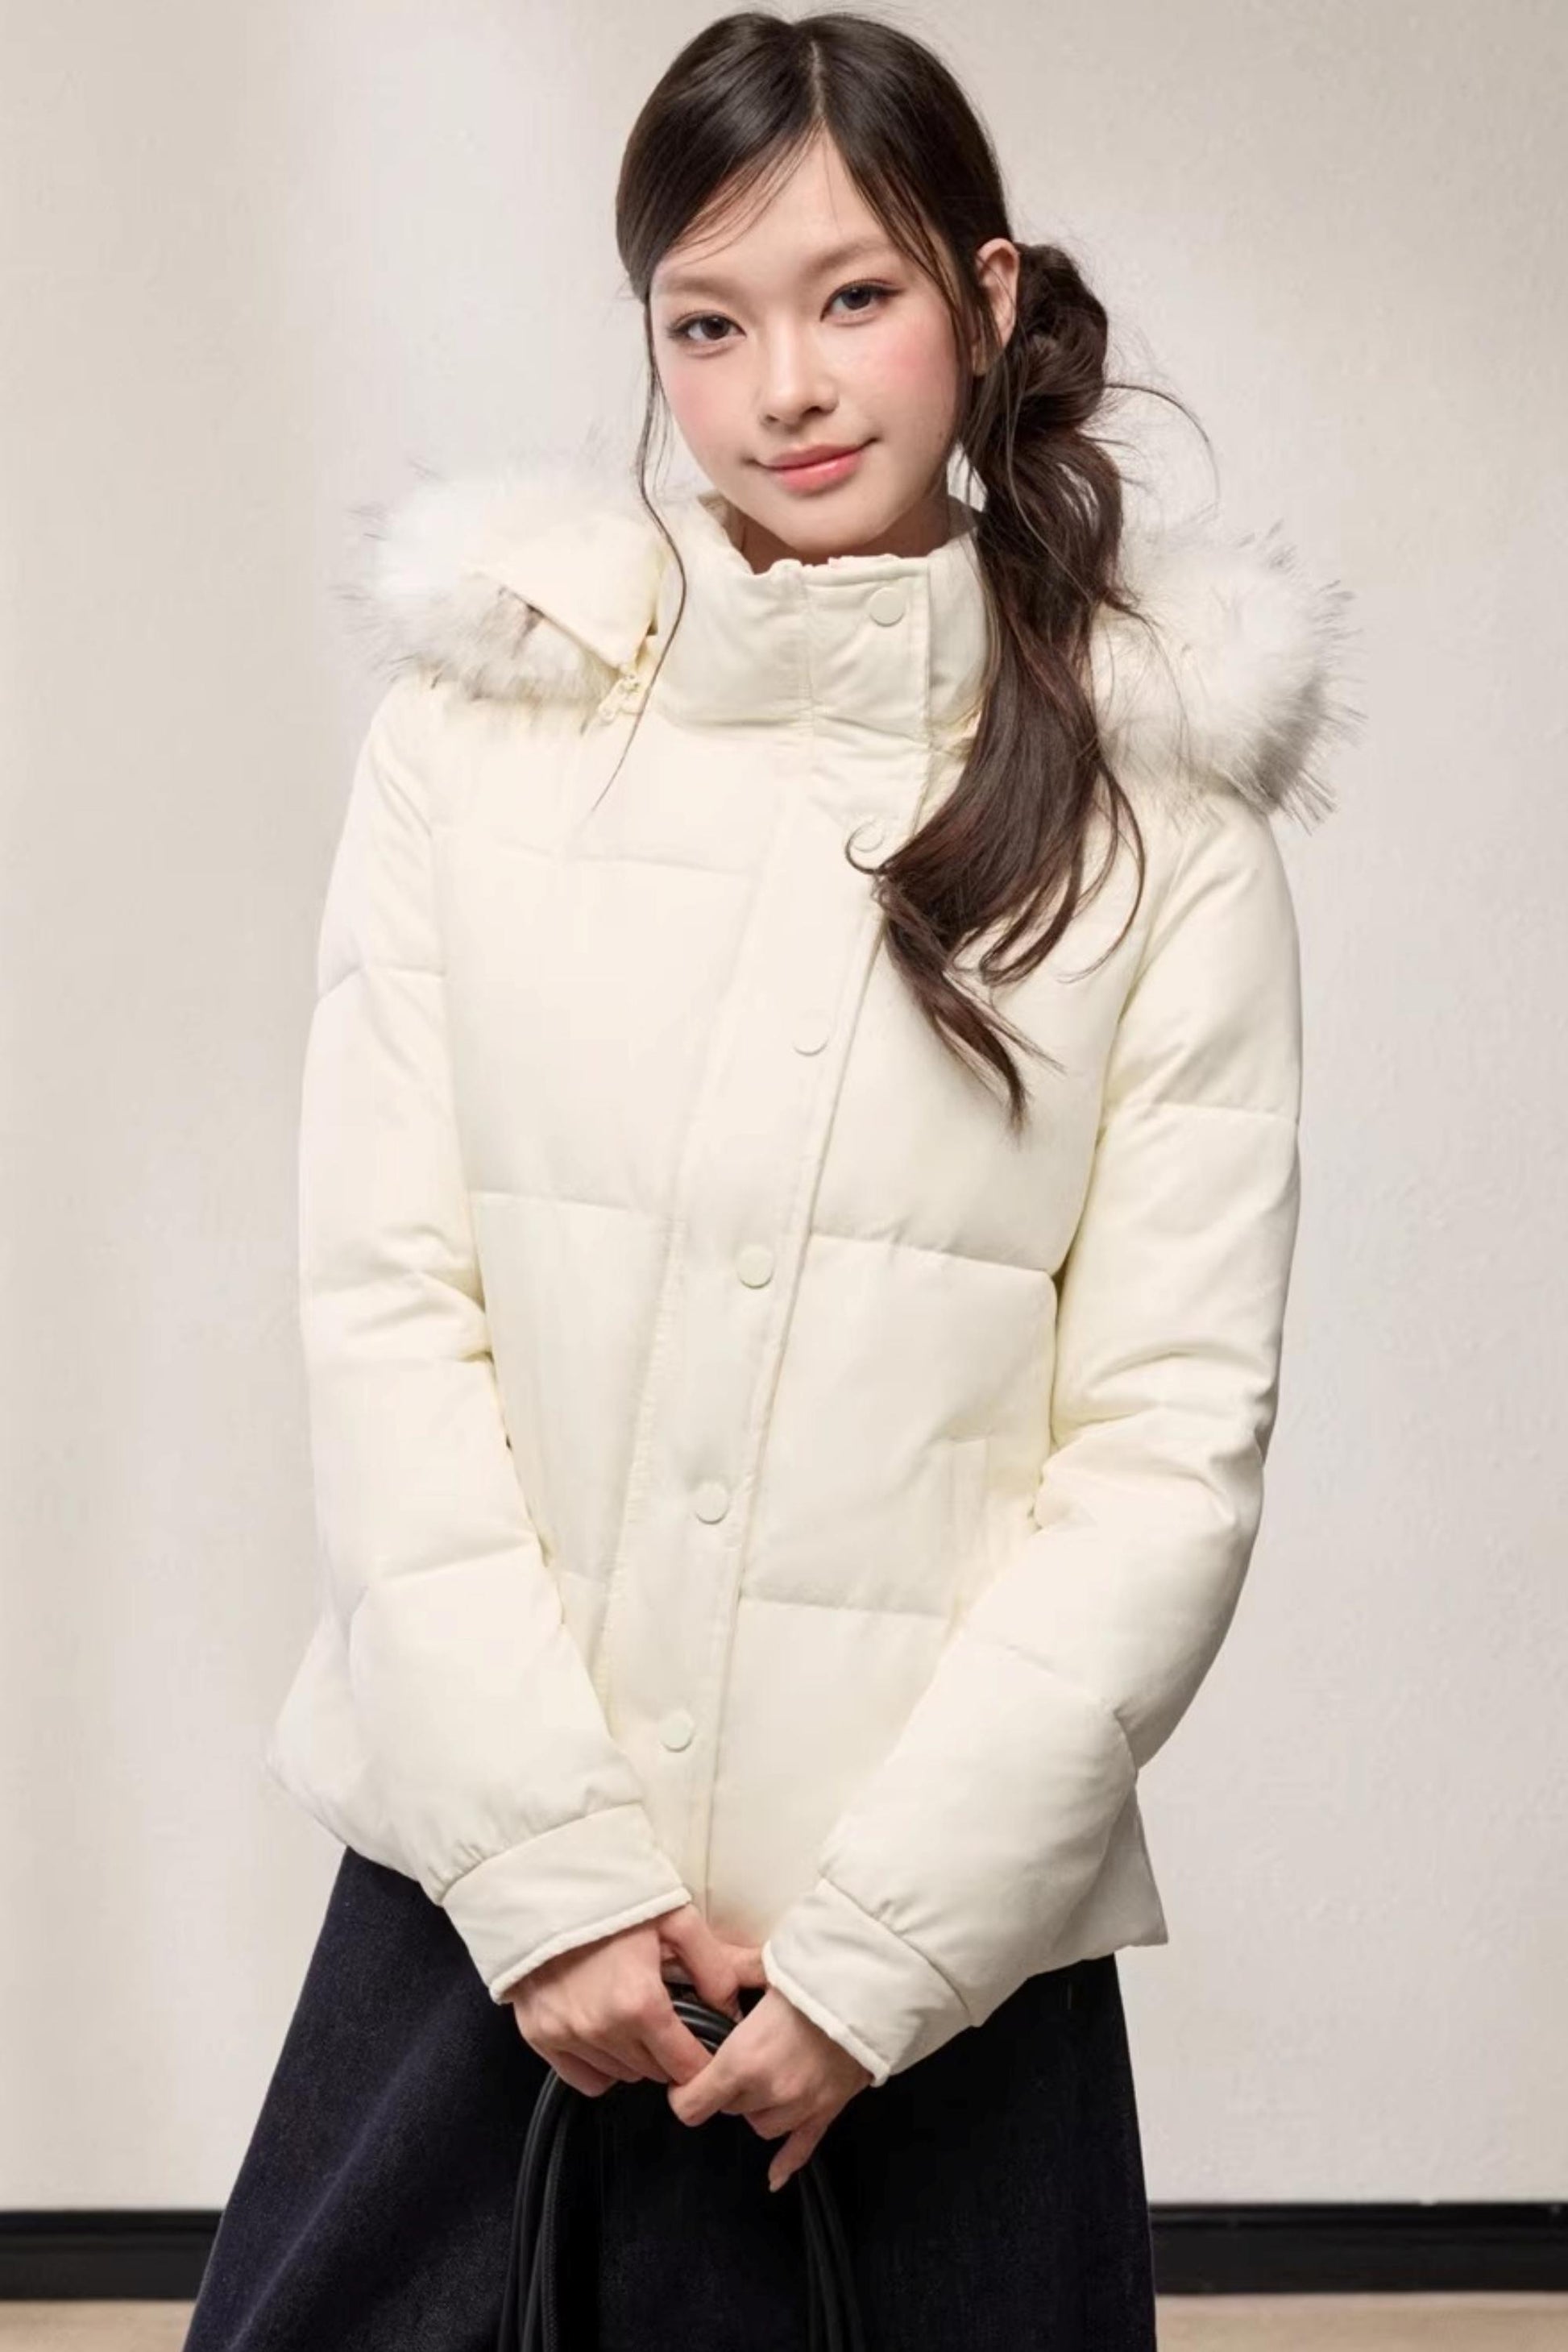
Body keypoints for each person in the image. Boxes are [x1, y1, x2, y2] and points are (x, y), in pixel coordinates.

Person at [185, 11, 1356, 2349]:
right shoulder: (480, 738)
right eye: (705, 324)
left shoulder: (1161, 822)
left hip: (925, 1984)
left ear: (985, 299)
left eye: (854, 297)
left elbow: (1166, 1443)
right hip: (487, 1929)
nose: (783, 389)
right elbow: (389, 1315)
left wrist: (889, 1949)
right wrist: (545, 1875)